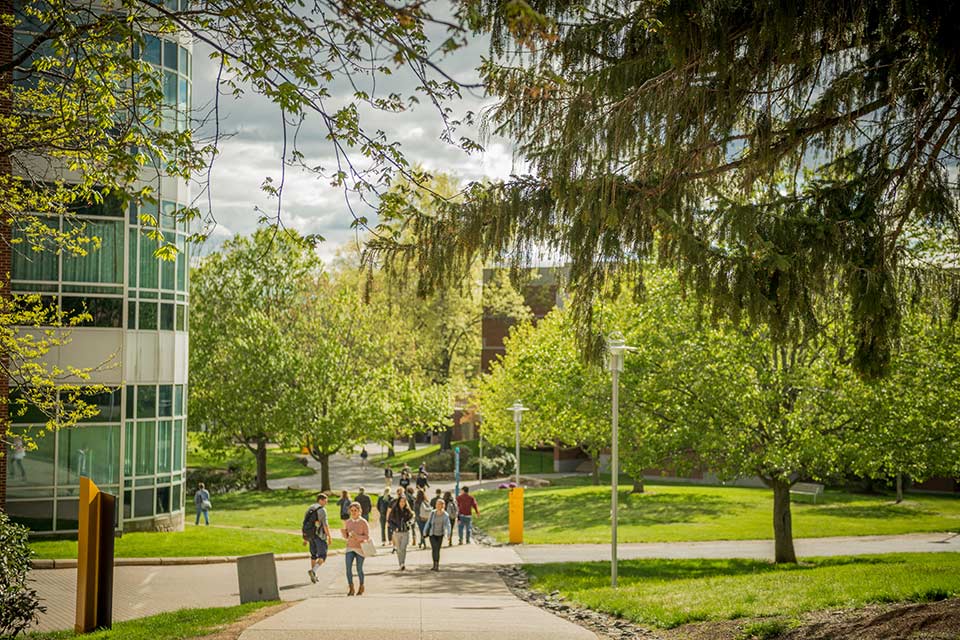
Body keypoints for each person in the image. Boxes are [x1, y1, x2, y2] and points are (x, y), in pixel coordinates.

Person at [301, 493, 331, 583]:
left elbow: (305, 523)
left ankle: (314, 575)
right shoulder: (322, 510)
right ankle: (313, 571)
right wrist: (329, 536)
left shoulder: (310, 508)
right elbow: (325, 525)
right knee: (323, 555)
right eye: (325, 501)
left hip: (310, 535)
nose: (326, 503)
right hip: (319, 536)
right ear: (320, 500)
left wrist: (305, 538)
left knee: (313, 555)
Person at [341, 502, 370, 596]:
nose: (353, 512)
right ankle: (351, 588)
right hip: (350, 547)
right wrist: (344, 533)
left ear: (359, 511)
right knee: (348, 569)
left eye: (355, 510)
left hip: (360, 549)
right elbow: (346, 537)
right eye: (352, 510)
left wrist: (357, 536)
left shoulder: (363, 522)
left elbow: (367, 537)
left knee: (359, 569)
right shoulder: (348, 522)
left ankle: (361, 586)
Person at [423, 498, 452, 571]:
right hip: (432, 534)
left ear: (443, 506)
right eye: (437, 504)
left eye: (440, 504)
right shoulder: (432, 513)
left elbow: (448, 525)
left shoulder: (445, 515)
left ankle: (437, 564)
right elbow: (428, 522)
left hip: (440, 534)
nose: (438, 506)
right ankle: (434, 564)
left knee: (437, 549)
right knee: (434, 548)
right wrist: (424, 531)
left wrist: (449, 534)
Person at [387, 493, 414, 570]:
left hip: (405, 532)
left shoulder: (407, 510)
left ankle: (403, 563)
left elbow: (412, 518)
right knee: (399, 549)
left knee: (403, 548)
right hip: (397, 532)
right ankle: (400, 563)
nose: (402, 503)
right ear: (398, 502)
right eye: (401, 501)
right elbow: (389, 521)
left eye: (404, 502)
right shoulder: (394, 510)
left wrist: (409, 523)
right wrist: (394, 528)